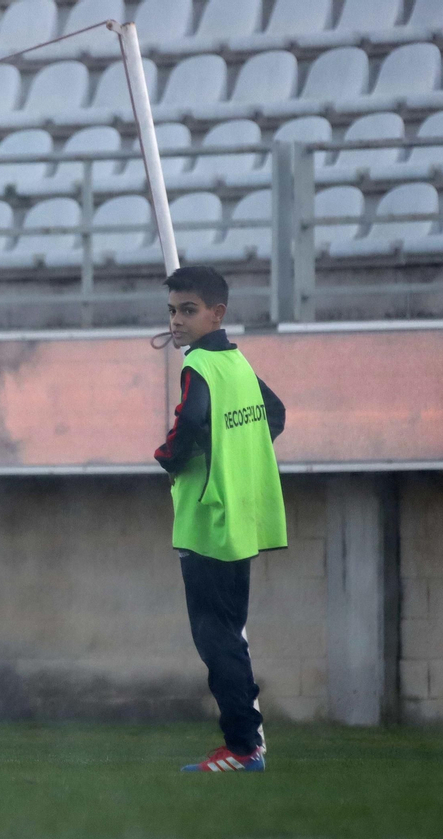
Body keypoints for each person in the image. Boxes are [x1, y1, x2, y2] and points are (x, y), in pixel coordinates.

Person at [152, 266, 287, 774]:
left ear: (217, 313)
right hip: (240, 518)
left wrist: (168, 457)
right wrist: (236, 456)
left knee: (216, 639)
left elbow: (188, 422)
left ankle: (242, 747)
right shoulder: (238, 362)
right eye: (172, 311)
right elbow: (276, 413)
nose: (176, 320)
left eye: (188, 310)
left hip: (208, 521)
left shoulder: (201, 366)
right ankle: (247, 742)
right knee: (229, 633)